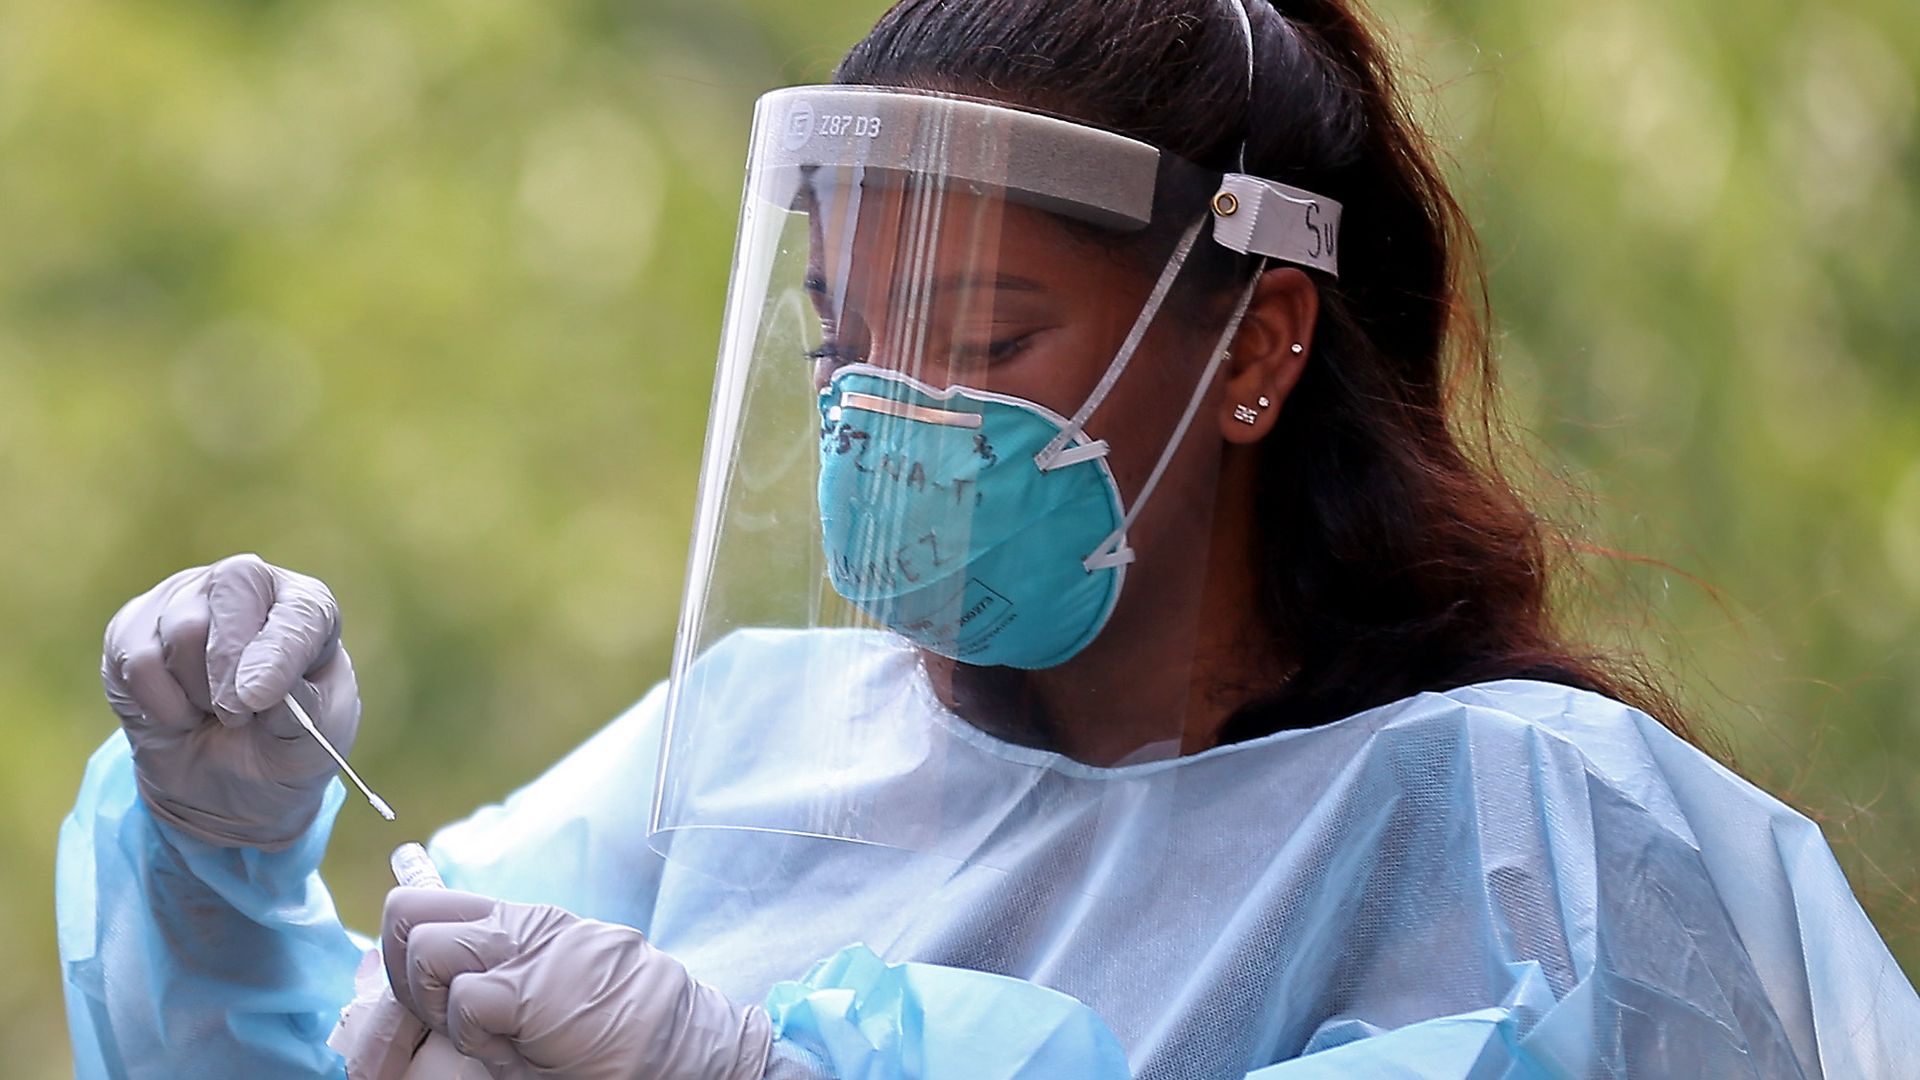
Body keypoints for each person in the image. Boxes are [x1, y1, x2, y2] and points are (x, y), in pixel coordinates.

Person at [58, 1, 1920, 1077]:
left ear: (1260, 346)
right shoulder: (758, 747)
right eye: (840, 341)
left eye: (977, 343)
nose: (878, 414)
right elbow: (312, 1057)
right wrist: (212, 864)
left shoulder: (1546, 847)